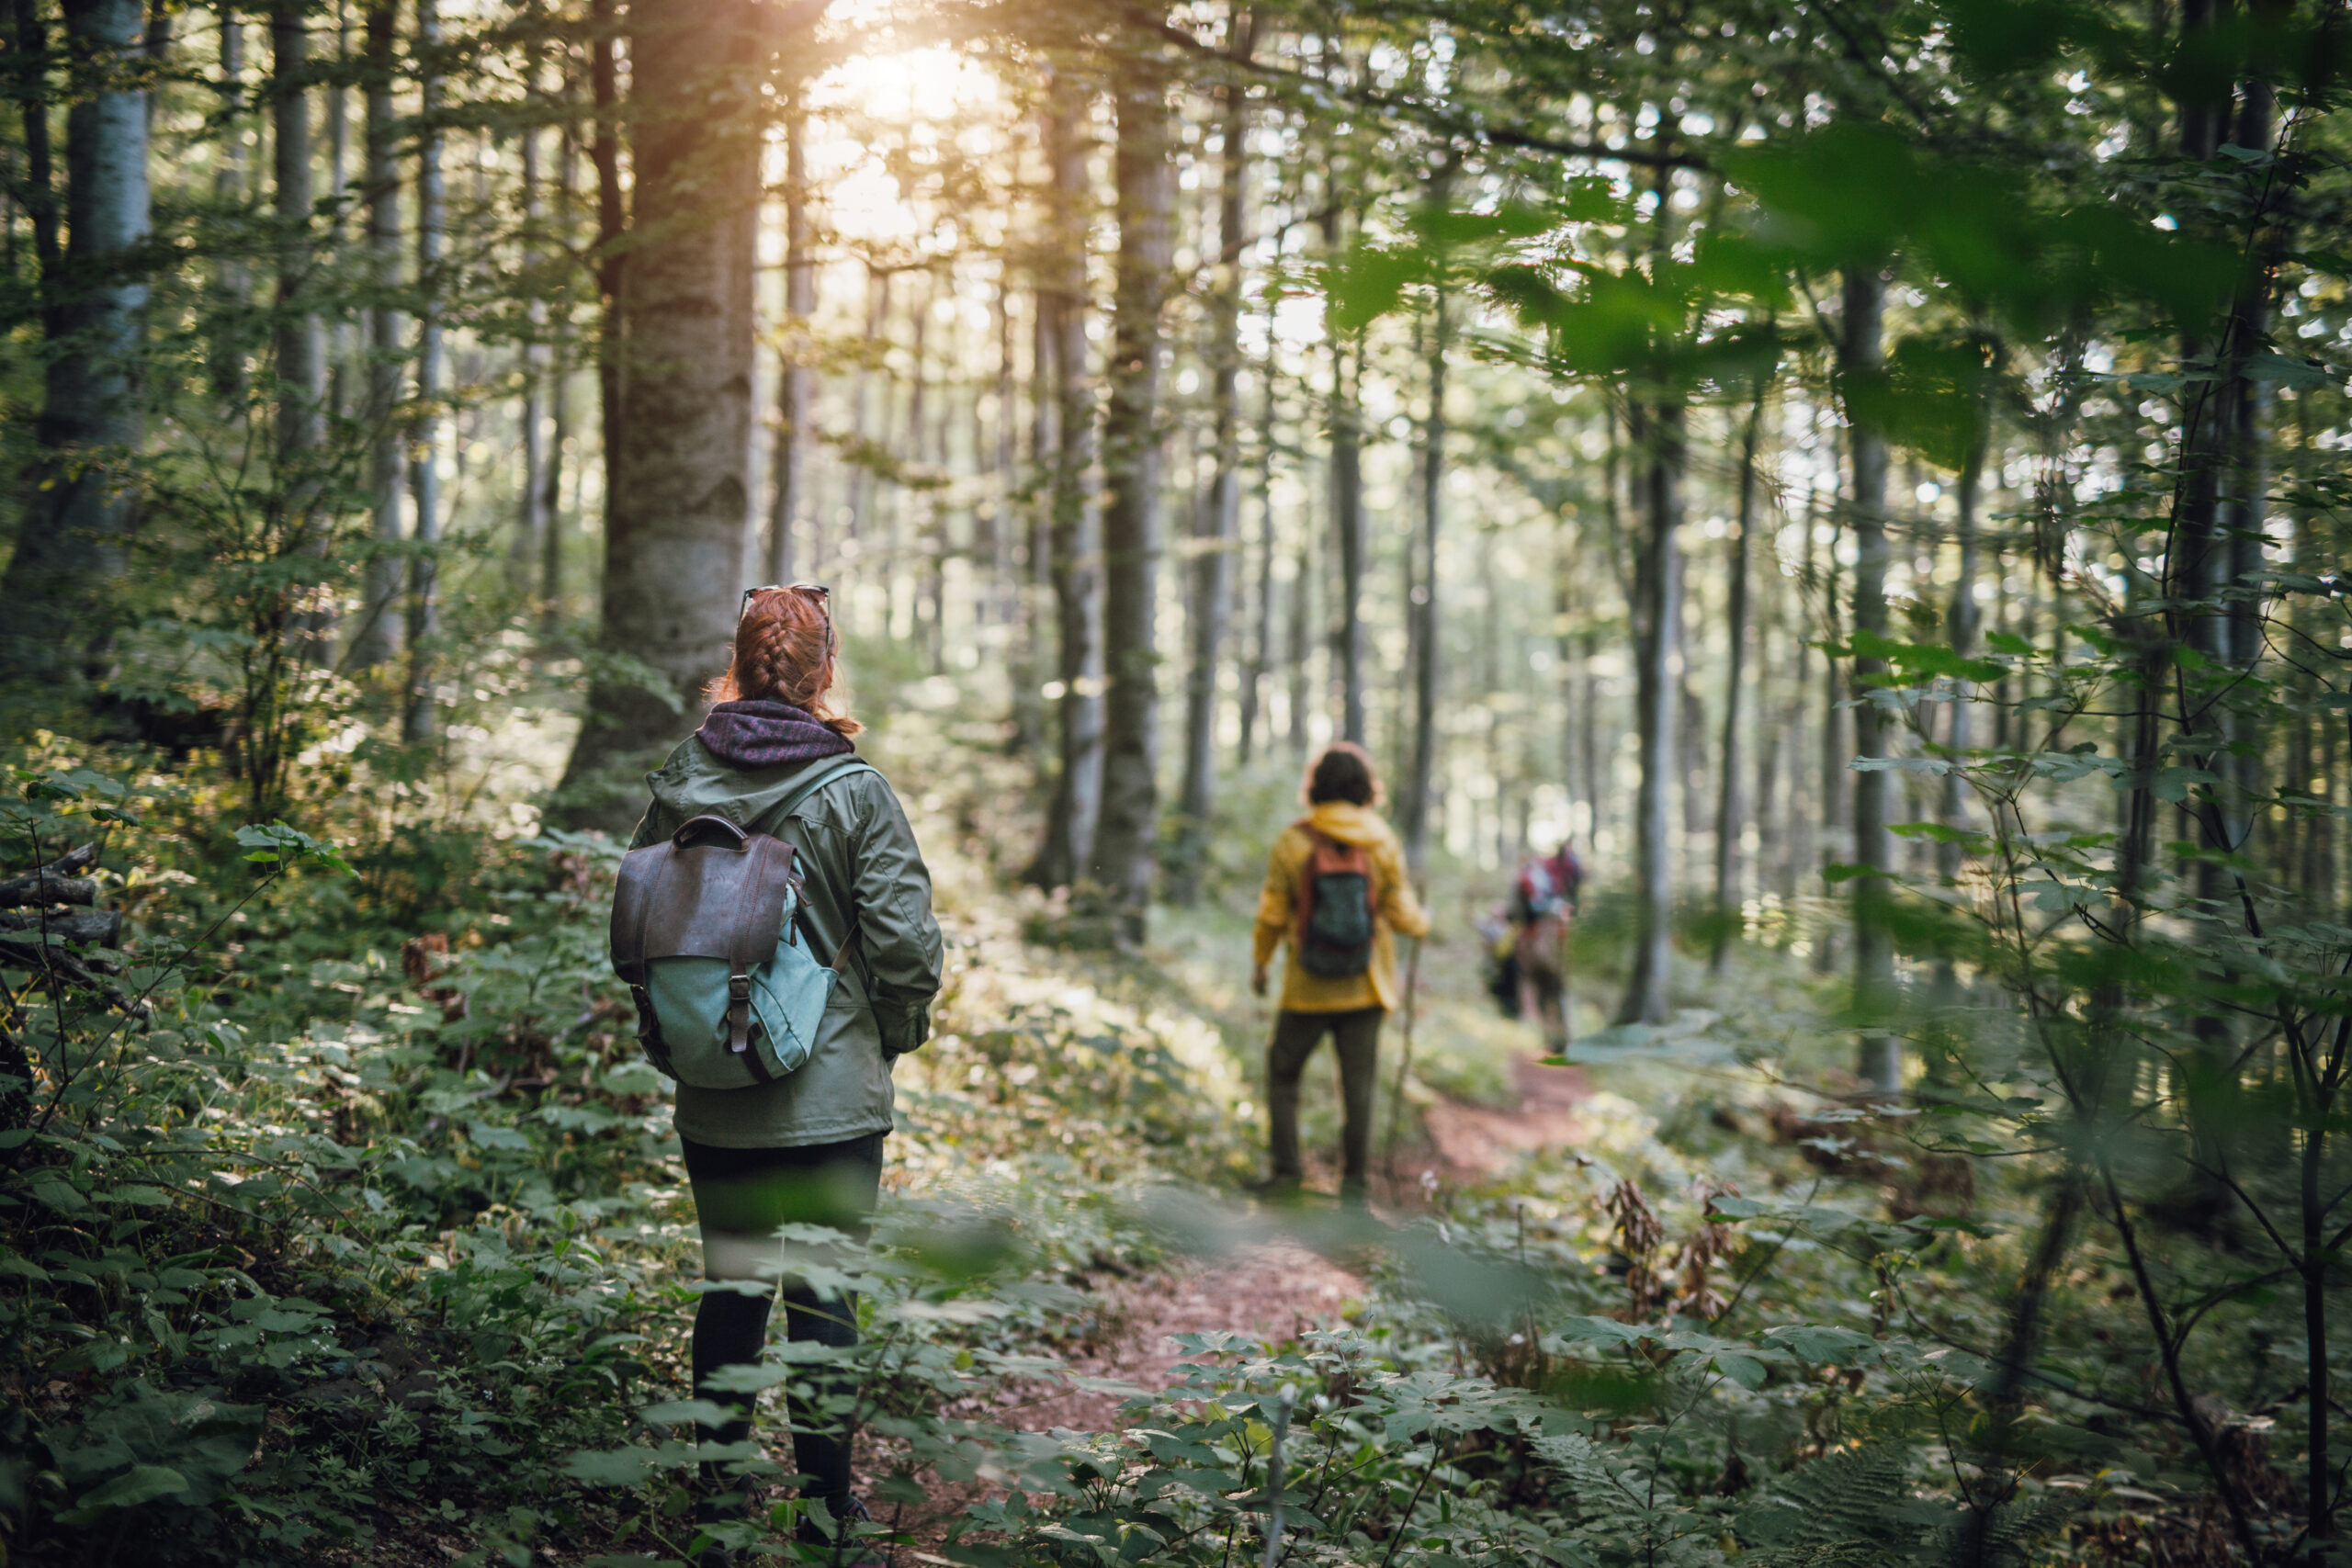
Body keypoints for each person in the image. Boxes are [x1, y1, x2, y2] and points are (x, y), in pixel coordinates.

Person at [628, 584, 942, 1567]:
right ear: (824, 672)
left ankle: (717, 1515)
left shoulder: (683, 775)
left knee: (729, 1293)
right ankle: (826, 1518)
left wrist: (668, 1038)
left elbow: (642, 924)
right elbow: (905, 946)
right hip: (830, 1104)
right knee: (821, 1298)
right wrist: (888, 1036)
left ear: (740, 660)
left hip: (713, 1091)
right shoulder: (853, 790)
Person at [1250, 742, 1430, 1207]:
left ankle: (1287, 1176)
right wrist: (1422, 921)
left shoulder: (1294, 840)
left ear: (1315, 785)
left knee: (1283, 1075)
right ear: (1366, 788)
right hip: (1365, 987)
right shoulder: (1381, 839)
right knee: (1359, 1091)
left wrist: (1261, 962)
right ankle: (1354, 1192)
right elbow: (1403, 914)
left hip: (1306, 988)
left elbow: (1272, 913)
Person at [1510, 839, 1584, 1051]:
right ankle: (1562, 1037)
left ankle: (1552, 1037)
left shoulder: (1531, 876)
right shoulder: (1555, 874)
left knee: (1546, 992)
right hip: (1550, 942)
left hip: (1535, 940)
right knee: (1557, 992)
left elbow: (1516, 911)